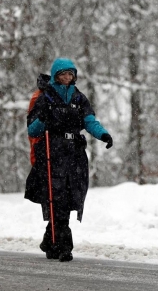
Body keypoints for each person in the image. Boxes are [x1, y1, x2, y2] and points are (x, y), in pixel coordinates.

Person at [25, 58, 114, 262]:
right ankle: (64, 246)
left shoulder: (79, 98)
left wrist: (103, 135)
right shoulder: (45, 97)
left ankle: (50, 240)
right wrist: (43, 118)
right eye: (63, 74)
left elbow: (89, 121)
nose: (67, 77)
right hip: (51, 154)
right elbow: (32, 129)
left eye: (70, 74)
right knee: (57, 197)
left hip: (74, 154)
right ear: (56, 75)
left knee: (70, 196)